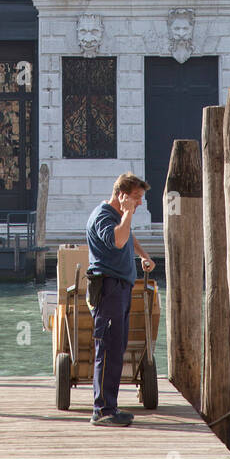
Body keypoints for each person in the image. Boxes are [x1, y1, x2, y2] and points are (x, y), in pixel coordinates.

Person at [85, 173, 155, 426]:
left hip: (120, 289)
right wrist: (127, 213)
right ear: (121, 195)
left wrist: (144, 255)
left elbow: (129, 237)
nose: (139, 203)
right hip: (109, 289)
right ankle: (102, 411)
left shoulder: (117, 218)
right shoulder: (104, 215)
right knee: (107, 348)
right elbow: (118, 239)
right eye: (136, 198)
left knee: (117, 348)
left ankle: (110, 407)